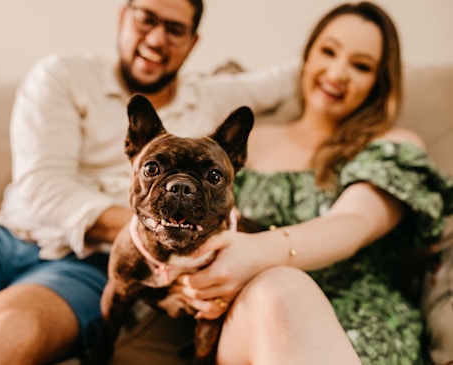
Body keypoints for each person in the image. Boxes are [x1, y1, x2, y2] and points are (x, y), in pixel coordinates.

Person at [0, 0, 326, 364]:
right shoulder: (63, 74)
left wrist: (344, 62)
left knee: (7, 334)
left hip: (87, 265)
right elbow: (39, 187)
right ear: (123, 17)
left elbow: (304, 71)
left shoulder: (213, 96)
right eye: (147, 18)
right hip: (0, 235)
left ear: (194, 41)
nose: (158, 38)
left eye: (175, 28)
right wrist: (158, 235)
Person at [177, 2, 453, 365]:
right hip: (247, 319)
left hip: (362, 324)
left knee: (282, 286)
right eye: (328, 51)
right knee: (276, 293)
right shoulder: (237, 146)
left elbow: (353, 225)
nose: (338, 73)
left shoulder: (393, 145)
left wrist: (258, 253)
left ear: (378, 83)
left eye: (361, 65)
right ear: (306, 56)